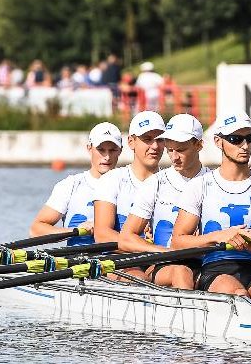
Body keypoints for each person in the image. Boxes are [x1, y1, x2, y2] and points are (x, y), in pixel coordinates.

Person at [171, 113, 251, 308]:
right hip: (216, 268)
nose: (245, 145)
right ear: (218, 142)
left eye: (250, 138)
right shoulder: (200, 186)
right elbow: (178, 241)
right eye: (235, 139)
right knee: (239, 295)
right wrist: (221, 236)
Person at [117, 114, 210, 289]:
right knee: (181, 272)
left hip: (207, 265)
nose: (174, 157)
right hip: (163, 264)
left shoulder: (214, 182)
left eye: (180, 150)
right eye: (170, 150)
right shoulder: (156, 183)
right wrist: (164, 252)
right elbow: (126, 238)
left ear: (199, 145)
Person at [92, 111, 166, 279]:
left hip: (161, 257)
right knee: (139, 279)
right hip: (119, 258)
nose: (155, 146)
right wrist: (146, 246)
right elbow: (102, 235)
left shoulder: (172, 182)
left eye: (160, 139)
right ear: (131, 142)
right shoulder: (112, 180)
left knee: (183, 275)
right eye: (147, 139)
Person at [29, 122, 123, 246]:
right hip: (77, 260)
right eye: (101, 150)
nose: (107, 157)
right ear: (89, 148)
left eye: (112, 150)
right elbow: (35, 229)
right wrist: (76, 231)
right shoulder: (71, 185)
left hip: (117, 261)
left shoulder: (129, 185)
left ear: (120, 151)